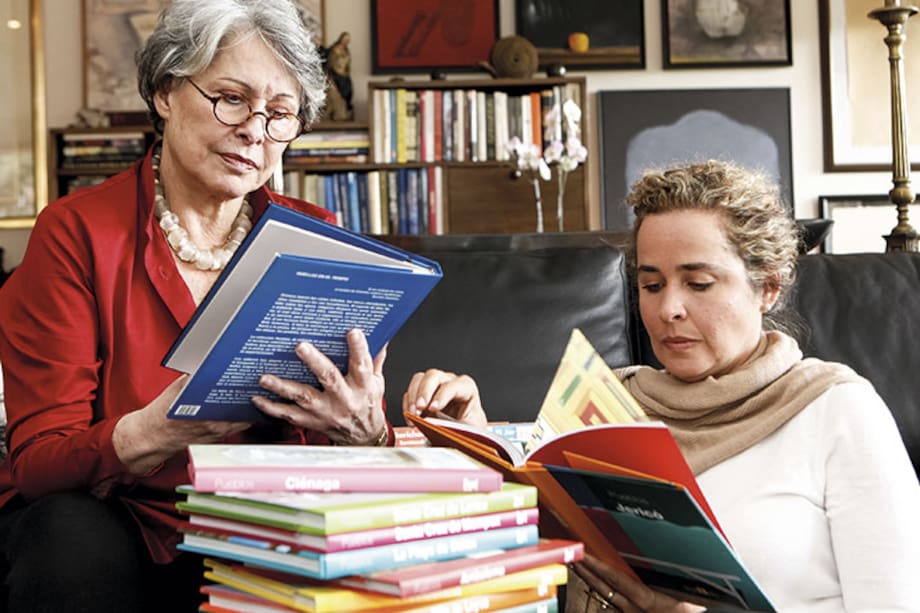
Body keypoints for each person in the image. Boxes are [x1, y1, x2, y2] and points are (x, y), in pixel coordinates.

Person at [0, 2, 391, 611]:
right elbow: (39, 464)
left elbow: (354, 453)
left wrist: (366, 434)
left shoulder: (318, 237)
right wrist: (156, 431)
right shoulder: (76, 232)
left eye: (279, 114)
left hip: (267, 526)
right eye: (231, 98)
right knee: (69, 537)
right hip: (118, 526)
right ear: (164, 92)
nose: (255, 130)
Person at [403, 160, 920, 612]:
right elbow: (524, 552)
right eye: (651, 284)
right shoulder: (606, 404)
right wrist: (471, 444)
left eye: (698, 283)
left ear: (767, 286)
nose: (668, 308)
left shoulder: (837, 411)